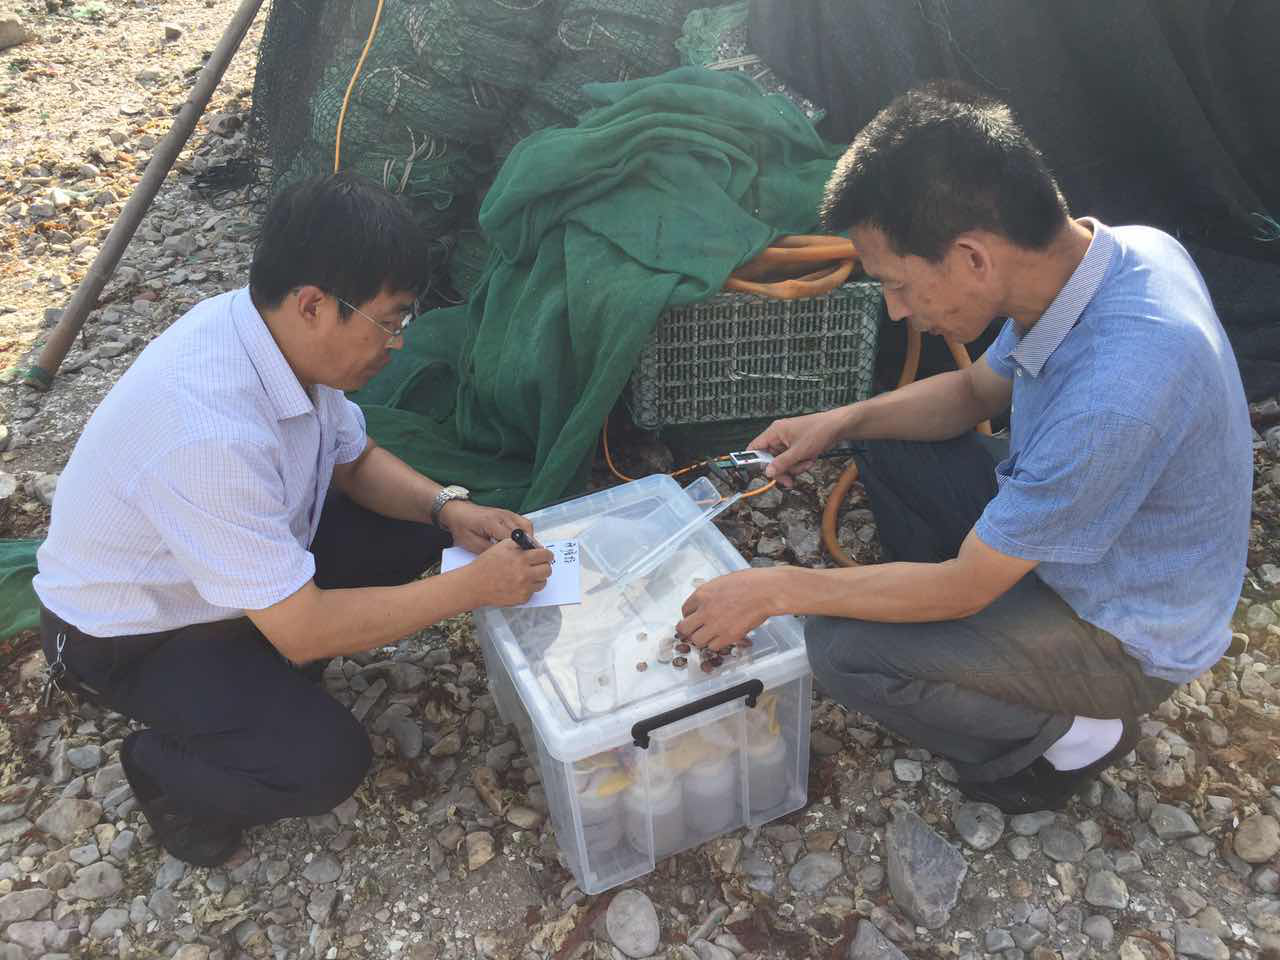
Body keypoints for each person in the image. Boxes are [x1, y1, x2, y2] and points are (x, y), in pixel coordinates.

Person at [676, 83, 1252, 813]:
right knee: (883, 434)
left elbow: (964, 587)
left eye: (897, 285)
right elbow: (976, 391)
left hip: (1122, 632)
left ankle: (1072, 736)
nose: (896, 310)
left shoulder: (1116, 395)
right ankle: (949, 632)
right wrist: (838, 421)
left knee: (844, 651)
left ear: (972, 257)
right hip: (1077, 545)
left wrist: (778, 588)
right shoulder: (1118, 255)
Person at [33, 173, 552, 865]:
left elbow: (355, 460)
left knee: (418, 525)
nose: (397, 343)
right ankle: (161, 769)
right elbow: (304, 632)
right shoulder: (207, 431)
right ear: (314, 305)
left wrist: (450, 509)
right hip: (136, 636)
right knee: (324, 763)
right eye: (390, 322)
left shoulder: (271, 335)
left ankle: (262, 659)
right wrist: (473, 588)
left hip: (228, 580)